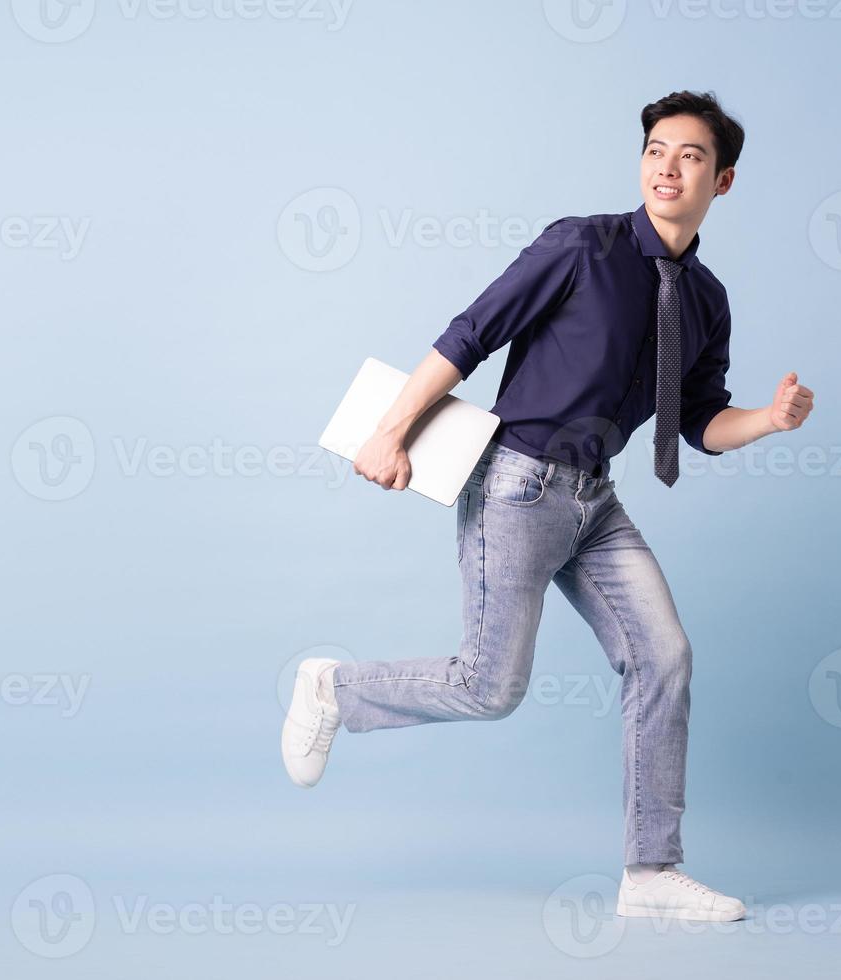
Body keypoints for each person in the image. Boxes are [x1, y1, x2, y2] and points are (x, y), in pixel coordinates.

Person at [282, 90, 814, 922]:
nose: (667, 167)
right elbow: (470, 333)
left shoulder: (706, 298)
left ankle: (648, 874)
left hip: (595, 500)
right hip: (517, 484)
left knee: (663, 656)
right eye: (655, 151)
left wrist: (769, 423)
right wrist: (390, 432)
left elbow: (699, 419)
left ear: (725, 179)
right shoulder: (581, 246)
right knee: (491, 686)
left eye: (690, 156)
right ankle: (331, 690)